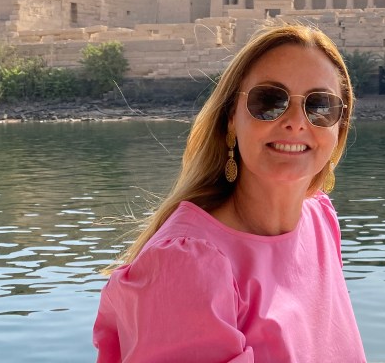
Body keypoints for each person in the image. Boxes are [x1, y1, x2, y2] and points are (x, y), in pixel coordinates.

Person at [93, 23, 365, 362]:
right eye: (269, 101)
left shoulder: (320, 218)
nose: (296, 121)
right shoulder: (187, 265)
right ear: (231, 118)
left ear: (340, 126)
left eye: (320, 106)